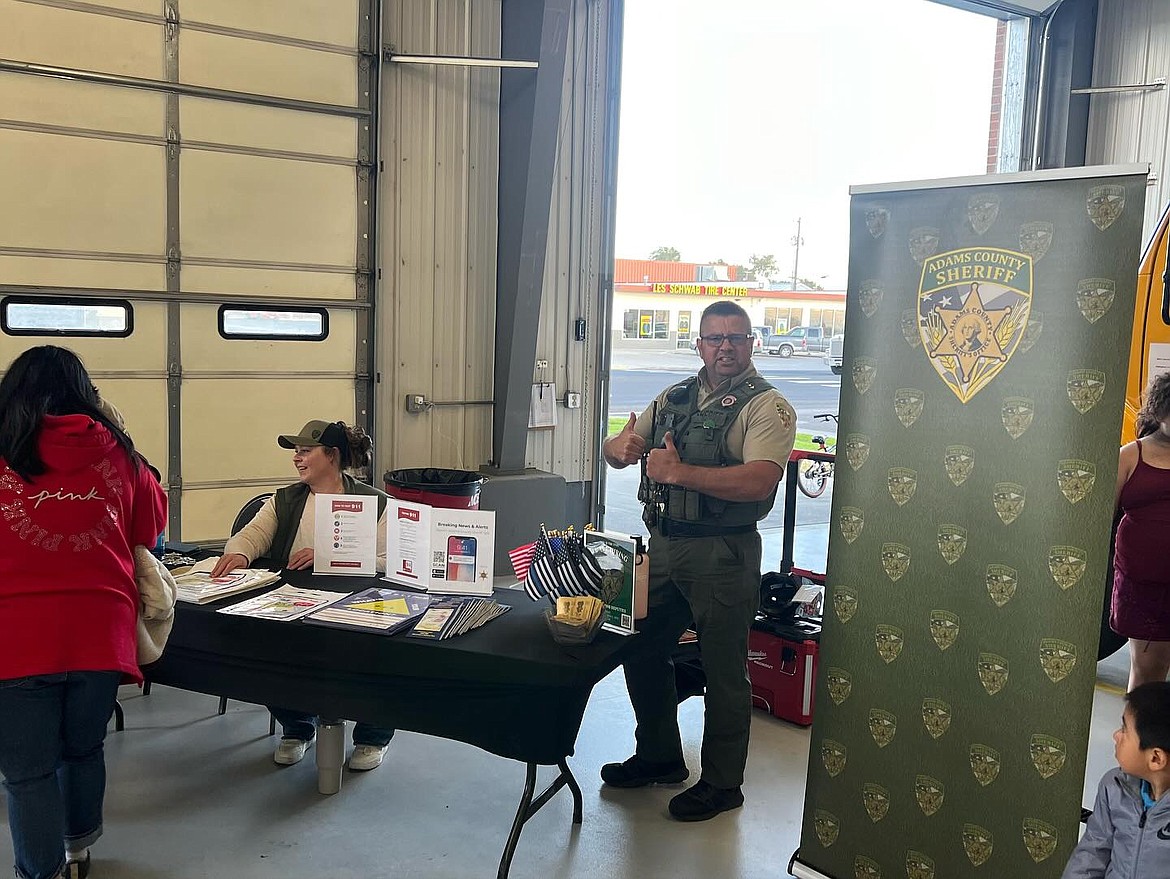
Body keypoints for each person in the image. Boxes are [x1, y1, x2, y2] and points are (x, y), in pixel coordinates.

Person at [600, 300, 796, 821]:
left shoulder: (766, 406)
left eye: (736, 338)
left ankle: (722, 783)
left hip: (723, 553)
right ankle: (659, 757)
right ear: (700, 344)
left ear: (751, 344)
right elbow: (624, 442)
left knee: (724, 670)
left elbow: (759, 479)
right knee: (640, 648)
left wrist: (680, 473)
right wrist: (618, 449)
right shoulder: (676, 396)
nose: (725, 347)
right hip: (663, 546)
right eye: (715, 338)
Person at [0, 346, 167, 879]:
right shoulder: (119, 454)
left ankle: (40, 871)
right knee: (82, 749)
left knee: (27, 774)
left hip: (15, 635)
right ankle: (77, 850)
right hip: (102, 630)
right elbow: (150, 525)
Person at [212, 420, 395, 772]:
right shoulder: (284, 500)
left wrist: (329, 557)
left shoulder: (377, 504)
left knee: (376, 657)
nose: (297, 458)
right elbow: (253, 535)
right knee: (265, 651)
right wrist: (238, 553)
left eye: (304, 451)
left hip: (357, 609)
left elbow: (390, 562)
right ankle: (297, 727)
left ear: (332, 455)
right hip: (295, 606)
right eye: (296, 452)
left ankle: (373, 735)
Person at [1061, 681, 1170, 878]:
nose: (1116, 735)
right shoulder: (1114, 786)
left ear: (1155, 758)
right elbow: (1093, 851)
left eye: (1124, 729)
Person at [1111, 373, 1170, 690]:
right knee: (1147, 674)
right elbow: (1102, 518)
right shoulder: (1130, 456)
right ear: (1160, 413)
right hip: (1142, 584)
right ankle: (1133, 738)